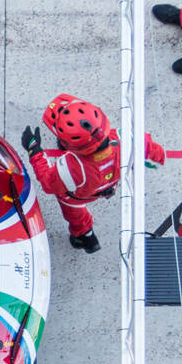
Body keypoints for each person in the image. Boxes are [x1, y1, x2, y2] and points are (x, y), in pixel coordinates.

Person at [21, 94, 165, 254]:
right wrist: (160, 158)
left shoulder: (70, 168)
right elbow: (151, 148)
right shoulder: (127, 138)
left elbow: (49, 184)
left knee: (76, 215)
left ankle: (85, 237)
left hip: (78, 196)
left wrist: (34, 151)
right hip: (108, 184)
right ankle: (84, 237)